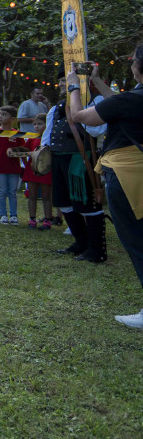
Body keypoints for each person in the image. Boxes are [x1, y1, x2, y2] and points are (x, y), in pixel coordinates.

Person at [69, 48, 143, 329]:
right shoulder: (132, 99)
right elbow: (120, 104)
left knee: (137, 241)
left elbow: (79, 116)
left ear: (138, 68)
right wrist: (97, 82)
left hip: (127, 176)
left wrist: (74, 86)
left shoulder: (131, 99)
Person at [44, 70, 107, 261]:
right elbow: (48, 134)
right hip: (58, 158)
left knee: (88, 203)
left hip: (82, 159)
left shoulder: (95, 101)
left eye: (66, 80)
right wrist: (41, 152)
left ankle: (97, 250)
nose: (63, 84)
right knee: (63, 202)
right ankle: (82, 242)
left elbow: (97, 130)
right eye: (62, 81)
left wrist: (80, 106)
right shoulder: (57, 107)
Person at [19, 113, 53, 230]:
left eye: (40, 124)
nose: (37, 126)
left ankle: (48, 219)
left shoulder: (50, 137)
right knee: (32, 195)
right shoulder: (33, 137)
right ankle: (32, 219)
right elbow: (25, 149)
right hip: (32, 168)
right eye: (35, 124)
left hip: (45, 169)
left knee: (46, 196)